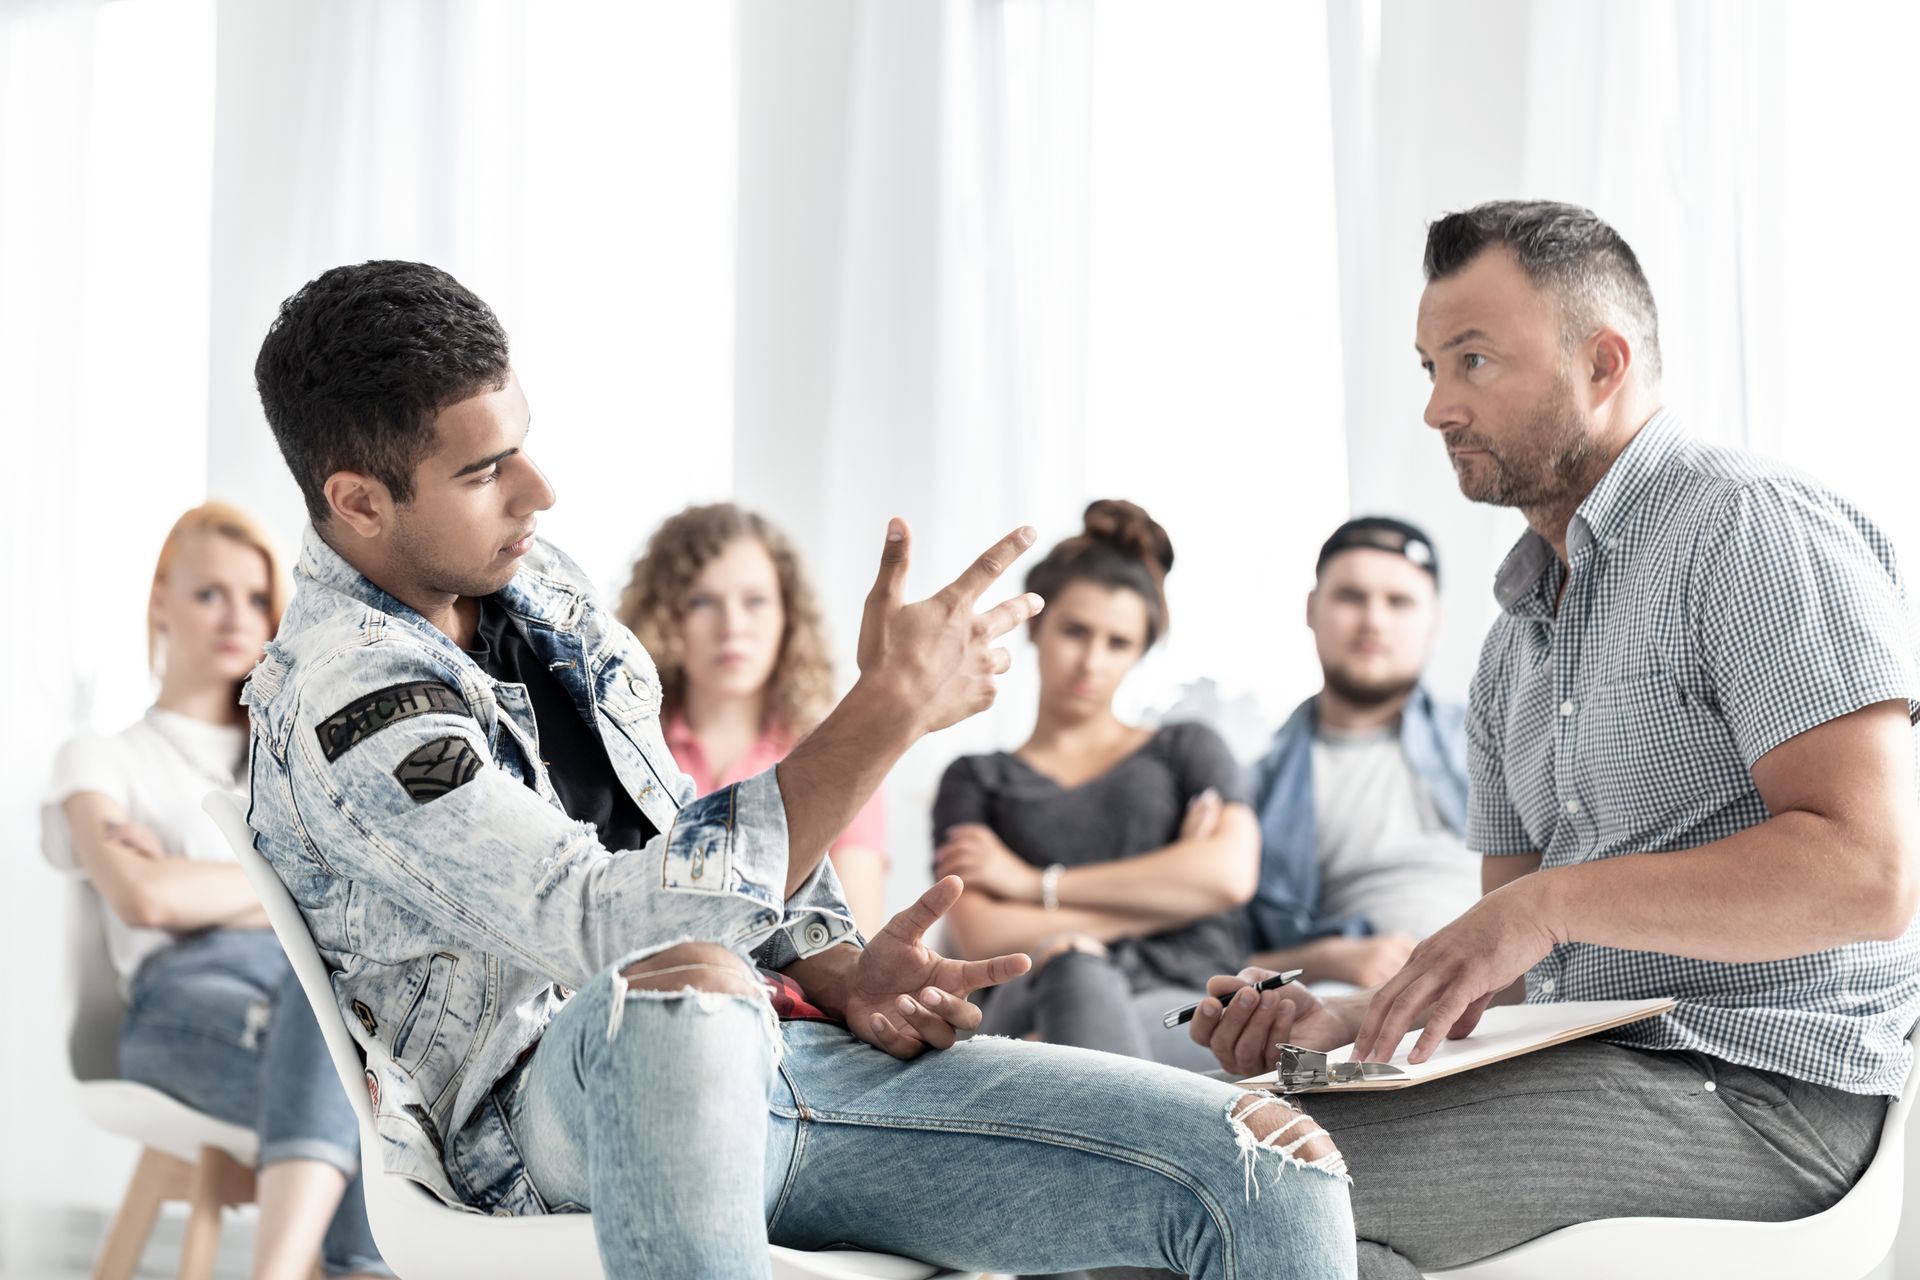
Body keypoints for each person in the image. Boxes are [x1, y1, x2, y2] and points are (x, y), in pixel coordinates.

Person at [241, 260, 1355, 1280]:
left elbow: (677, 832)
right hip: (553, 1110)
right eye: (486, 470)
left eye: (523, 440)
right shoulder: (350, 696)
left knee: (1273, 1168)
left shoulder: (542, 586)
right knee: (686, 997)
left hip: (780, 1057)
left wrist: (829, 962)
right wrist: (882, 716)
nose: (540, 488)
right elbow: (598, 922)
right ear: (359, 500)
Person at [1190, 200, 1920, 1279]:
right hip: (1596, 1068)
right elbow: (1529, 978)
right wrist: (1352, 1021)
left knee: (1242, 1177)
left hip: (1773, 1093)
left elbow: (1870, 870)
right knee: (1179, 1152)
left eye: (1475, 360)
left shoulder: (1752, 527)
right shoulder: (1510, 651)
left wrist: (1546, 903)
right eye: (1430, 365)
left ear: (1603, 362)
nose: (1438, 406)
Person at [42, 503, 386, 1280]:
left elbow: (365, 894)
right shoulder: (101, 756)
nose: (239, 617)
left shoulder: (290, 761)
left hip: (295, 1005)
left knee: (366, 1036)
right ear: (160, 598)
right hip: (175, 1010)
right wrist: (293, 883)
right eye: (209, 594)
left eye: (258, 598)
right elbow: (146, 902)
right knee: (354, 1053)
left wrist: (198, 878)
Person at [933, 500, 1260, 1070]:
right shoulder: (976, 778)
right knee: (1076, 967)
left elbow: (1228, 876)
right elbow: (983, 933)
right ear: (1037, 627)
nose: (1091, 661)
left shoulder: (1185, 749)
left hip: (1177, 1004)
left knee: (1093, 1018)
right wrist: (1173, 891)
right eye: (1075, 632)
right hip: (1033, 996)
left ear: (1140, 651)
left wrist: (1034, 882)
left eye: (1117, 643)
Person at [617, 502, 889, 934]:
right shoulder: (620, 742)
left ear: (789, 616)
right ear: (666, 615)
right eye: (703, 601)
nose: (733, 627)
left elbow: (855, 935)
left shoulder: (836, 753)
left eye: (756, 600)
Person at [1244, 516, 1474, 990]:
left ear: (1434, 621)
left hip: (1518, 978)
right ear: (1311, 609)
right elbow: (1212, 959)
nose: (1374, 620)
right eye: (1351, 597)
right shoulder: (1257, 786)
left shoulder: (1495, 736)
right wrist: (1327, 958)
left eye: (1399, 601)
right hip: (1364, 1000)